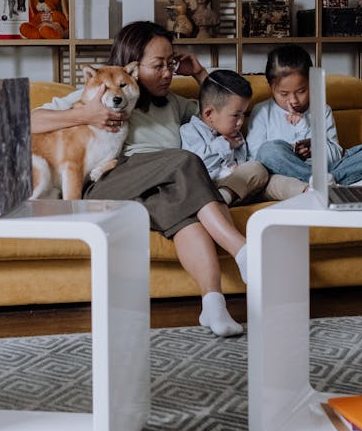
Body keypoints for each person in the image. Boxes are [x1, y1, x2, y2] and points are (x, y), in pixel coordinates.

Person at [32, 21, 250, 336]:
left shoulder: (174, 103)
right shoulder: (103, 93)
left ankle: (214, 306)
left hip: (162, 187)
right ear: (132, 66)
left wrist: (201, 74)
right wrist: (86, 115)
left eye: (171, 64)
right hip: (111, 181)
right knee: (186, 160)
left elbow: (222, 114)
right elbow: (28, 121)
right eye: (158, 65)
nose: (167, 73)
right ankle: (243, 251)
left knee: (188, 217)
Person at [248, 44, 362, 186]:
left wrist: (312, 148)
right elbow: (257, 157)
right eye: (284, 94)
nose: (293, 100)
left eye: (301, 91)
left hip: (327, 169)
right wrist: (293, 152)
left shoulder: (322, 110)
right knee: (269, 150)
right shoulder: (262, 112)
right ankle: (328, 182)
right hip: (286, 174)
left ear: (311, 83)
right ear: (271, 87)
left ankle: (325, 181)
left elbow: (335, 155)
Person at [180, 68, 306, 207]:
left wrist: (241, 168)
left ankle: (310, 192)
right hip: (212, 188)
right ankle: (219, 201)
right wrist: (225, 144)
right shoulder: (190, 131)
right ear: (209, 113)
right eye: (236, 115)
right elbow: (197, 165)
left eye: (243, 115)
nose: (240, 122)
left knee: (270, 179)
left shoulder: (236, 134)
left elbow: (246, 160)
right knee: (256, 168)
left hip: (243, 186)